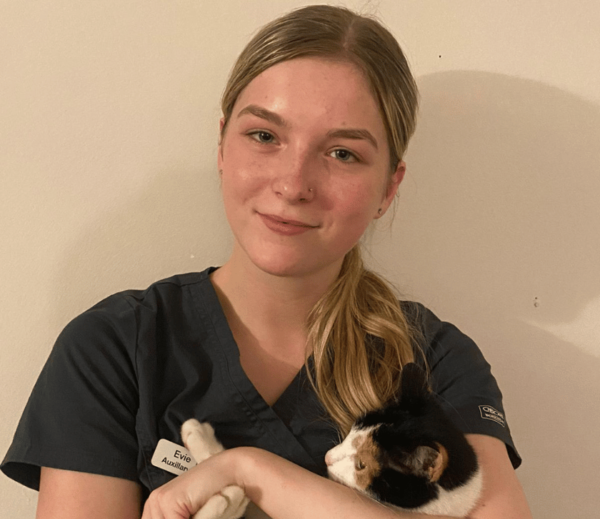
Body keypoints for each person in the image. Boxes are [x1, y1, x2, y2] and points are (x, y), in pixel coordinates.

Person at [1, 5, 532, 518]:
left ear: (388, 188)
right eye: (264, 136)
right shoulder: (115, 349)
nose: (293, 184)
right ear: (222, 147)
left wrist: (253, 472)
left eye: (342, 153)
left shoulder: (434, 362)